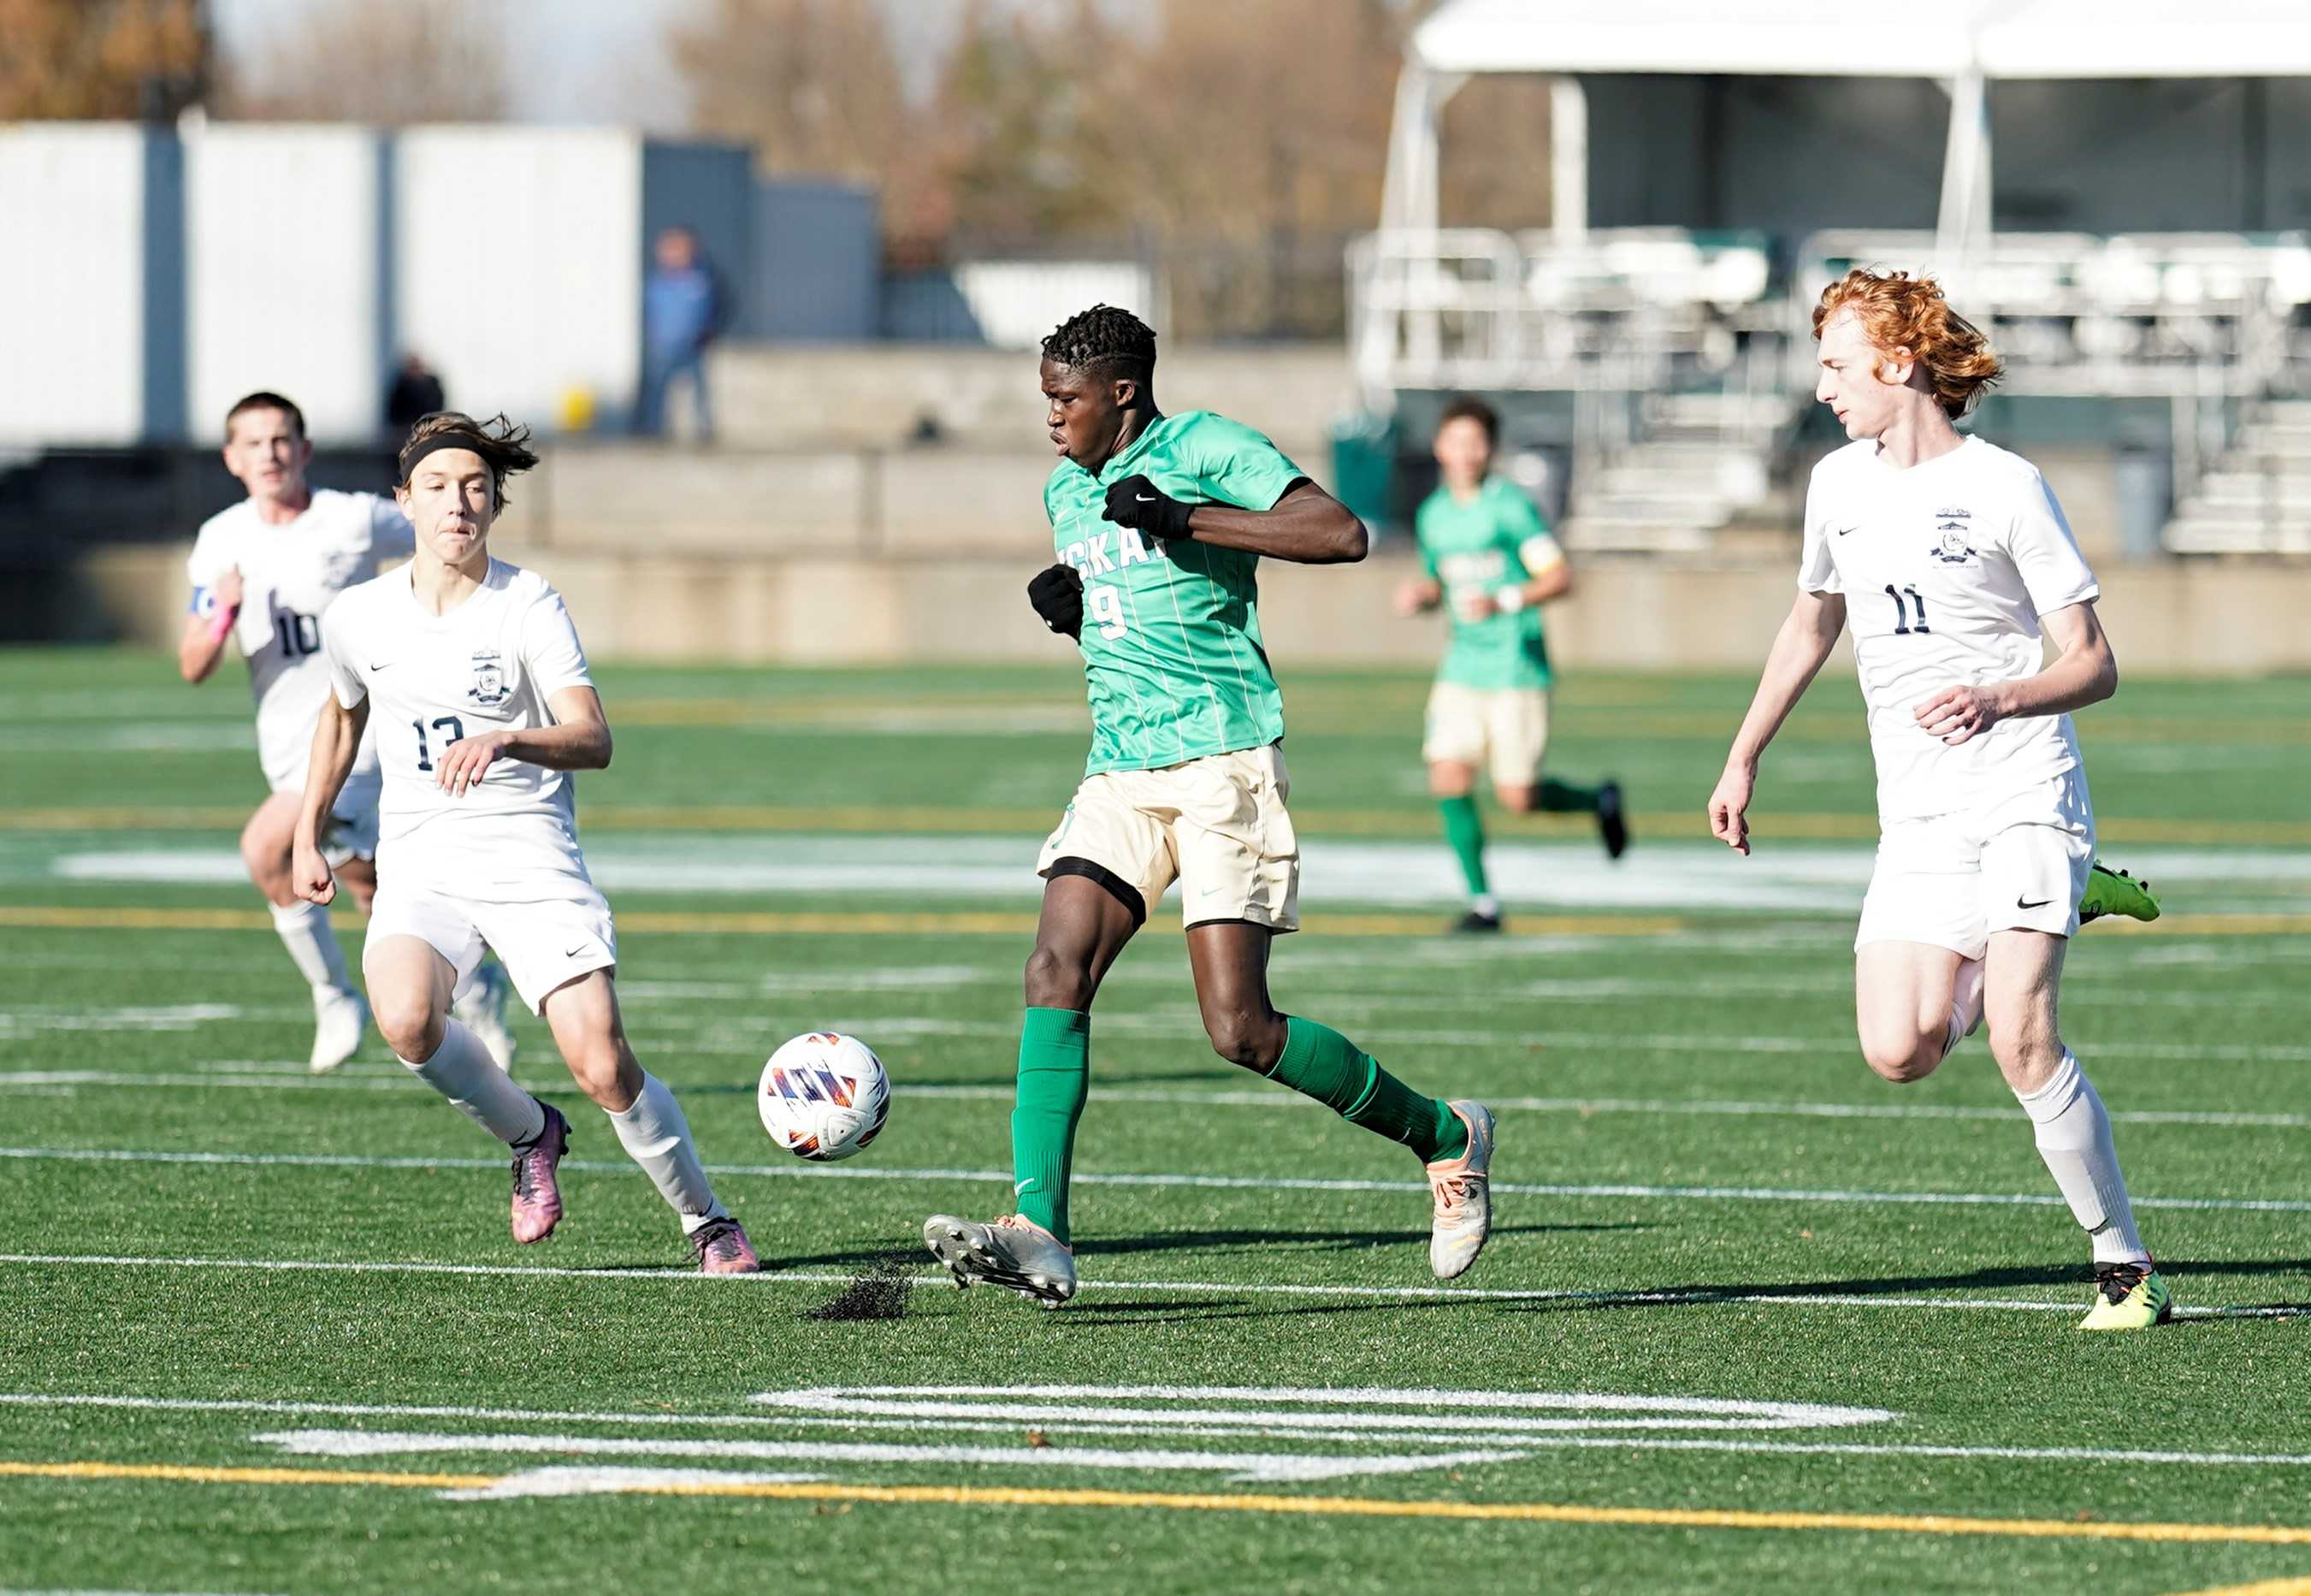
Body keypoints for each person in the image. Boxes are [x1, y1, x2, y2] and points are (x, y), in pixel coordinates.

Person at [922, 305, 1495, 1307]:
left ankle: (1444, 1137)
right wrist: (1074, 616)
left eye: (1065, 399)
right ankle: (1039, 1229)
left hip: (1224, 762)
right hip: (1120, 768)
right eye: (1046, 399)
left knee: (1239, 1030)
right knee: (1053, 968)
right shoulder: (1065, 489)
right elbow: (1134, 603)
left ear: (1122, 393)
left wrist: (1183, 516)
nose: (1051, 418)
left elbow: (1339, 532)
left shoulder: (1207, 447)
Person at [1705, 269, 2168, 1331]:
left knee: (2017, 1034)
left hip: (2020, 789)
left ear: (1897, 363)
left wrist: (2001, 696)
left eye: (1834, 363)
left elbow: (2092, 664)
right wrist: (1742, 756)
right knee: (1898, 1048)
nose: (1820, 385)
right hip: (1916, 815)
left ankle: (2121, 1267)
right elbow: (1807, 624)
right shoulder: (1835, 486)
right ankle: (2073, 898)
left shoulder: (2004, 485)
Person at [290, 411, 758, 1273]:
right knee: (404, 1020)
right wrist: (307, 830)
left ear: (495, 505)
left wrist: (507, 739)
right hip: (422, 863)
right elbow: (342, 712)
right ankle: (529, 1134)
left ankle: (707, 1220)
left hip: (530, 858)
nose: (456, 504)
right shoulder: (359, 616)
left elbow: (593, 736)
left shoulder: (527, 602)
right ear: (405, 503)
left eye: (474, 488)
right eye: (436, 487)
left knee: (603, 1067)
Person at [179, 390, 515, 1075]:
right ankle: (477, 990)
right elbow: (193, 664)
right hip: (285, 748)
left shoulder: (350, 519)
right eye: (254, 443)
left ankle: (335, 998)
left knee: (268, 849)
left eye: (282, 440)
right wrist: (223, 615)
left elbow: (443, 533)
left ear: (303, 450)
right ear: (231, 458)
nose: (270, 454)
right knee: (373, 885)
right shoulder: (221, 540)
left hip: (363, 739)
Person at [1395, 396, 1627, 933]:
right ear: (1439, 447)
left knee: (1518, 796)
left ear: (1489, 450)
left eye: (1475, 443)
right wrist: (1422, 596)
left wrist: (1505, 601)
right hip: (1461, 670)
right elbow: (1440, 581)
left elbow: (1560, 577)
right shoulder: (1433, 514)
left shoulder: (1509, 507)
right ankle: (1483, 904)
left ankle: (1599, 800)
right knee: (1448, 777)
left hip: (1515, 670)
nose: (1464, 453)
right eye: (1455, 441)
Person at [636, 226, 727, 443]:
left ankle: (703, 428)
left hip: (693, 346)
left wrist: (709, 332)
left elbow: (719, 307)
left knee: (699, 390)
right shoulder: (655, 284)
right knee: (657, 391)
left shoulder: (702, 281)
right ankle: (653, 428)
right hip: (662, 347)